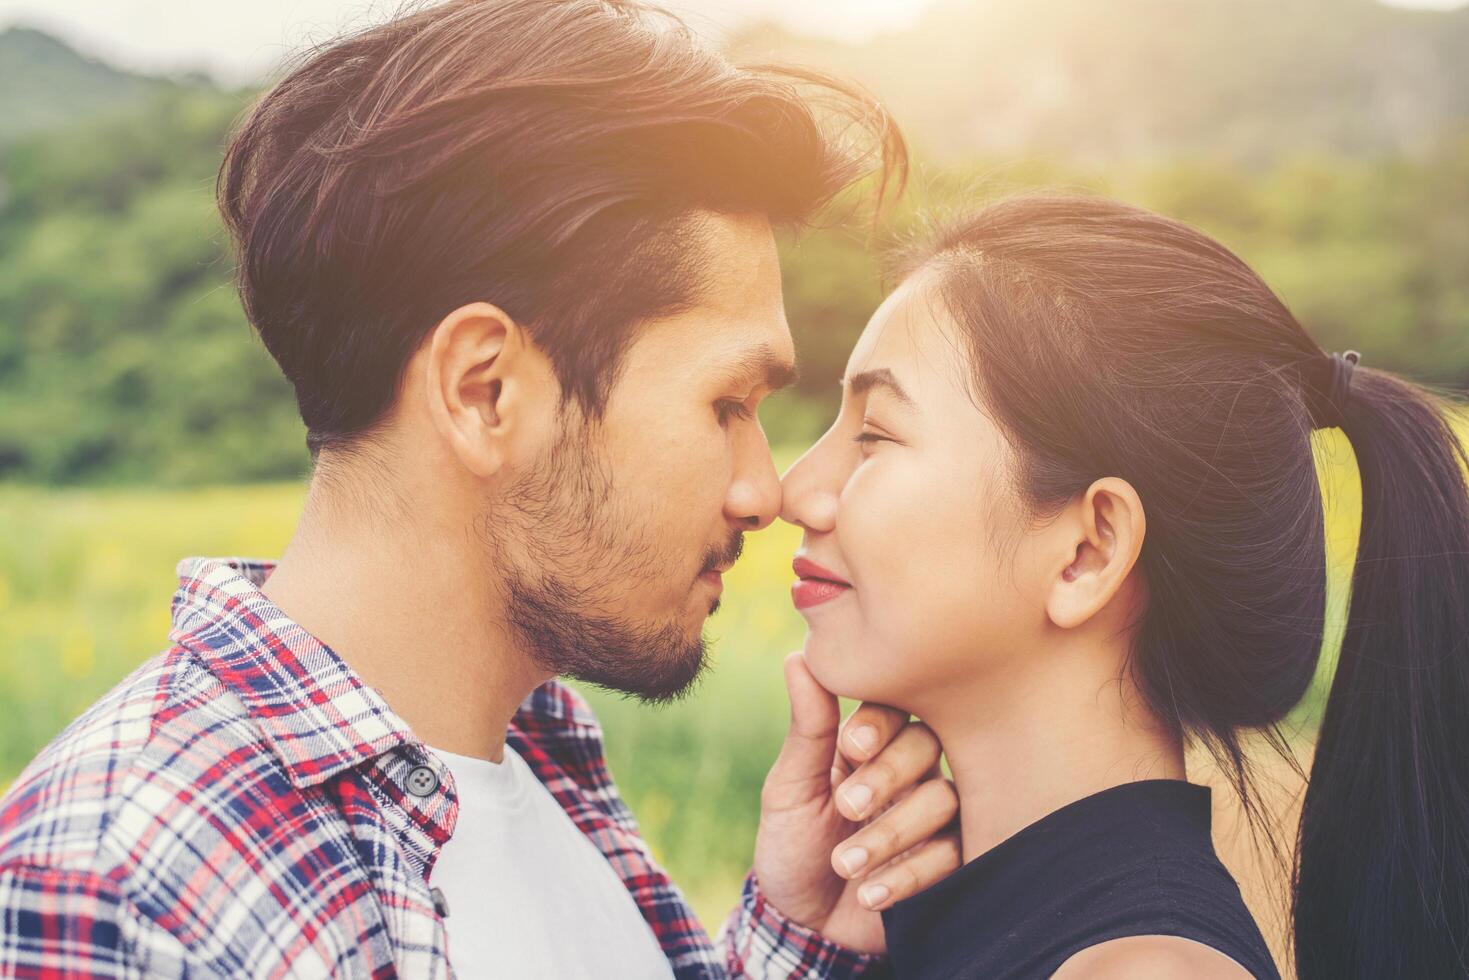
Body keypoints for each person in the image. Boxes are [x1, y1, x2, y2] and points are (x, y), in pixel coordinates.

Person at [0, 2, 962, 976]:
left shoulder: (536, 758)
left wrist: (795, 943)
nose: (764, 490)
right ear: (483, 390)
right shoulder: (126, 887)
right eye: (725, 403)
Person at [781, 195, 1469, 979]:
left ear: (1088, 551)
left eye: (874, 434)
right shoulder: (920, 929)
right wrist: (810, 943)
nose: (794, 490)